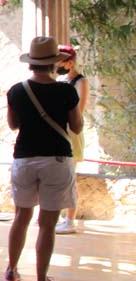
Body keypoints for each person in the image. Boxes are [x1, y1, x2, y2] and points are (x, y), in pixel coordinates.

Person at [3, 36, 83, 281]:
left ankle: (12, 270)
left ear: (31, 63)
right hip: (57, 159)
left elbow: (13, 125)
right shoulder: (66, 91)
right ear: (53, 63)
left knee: (21, 217)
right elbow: (77, 127)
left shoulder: (16, 91)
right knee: (47, 224)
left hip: (24, 158)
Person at [55, 44, 89, 234]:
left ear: (69, 62)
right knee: (60, 176)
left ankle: (70, 219)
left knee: (69, 177)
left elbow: (80, 111)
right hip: (61, 131)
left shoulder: (80, 82)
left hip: (73, 132)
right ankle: (60, 215)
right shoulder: (61, 80)